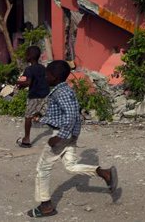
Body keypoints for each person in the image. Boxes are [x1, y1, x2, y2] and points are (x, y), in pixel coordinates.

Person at [27, 60, 118, 218]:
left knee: (43, 168)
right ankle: (103, 173)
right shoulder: (64, 90)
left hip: (61, 135)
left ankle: (45, 206)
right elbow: (67, 115)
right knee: (70, 166)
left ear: (55, 77)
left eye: (47, 74)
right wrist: (43, 118)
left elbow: (70, 116)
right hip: (70, 134)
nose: (45, 77)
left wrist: (59, 137)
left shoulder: (61, 93)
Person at [16, 46, 49, 148]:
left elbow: (28, 82)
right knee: (47, 115)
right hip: (45, 95)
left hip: (34, 96)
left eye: (26, 54)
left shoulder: (29, 69)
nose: (25, 56)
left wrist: (18, 83)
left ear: (29, 56)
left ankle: (26, 139)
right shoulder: (43, 68)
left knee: (28, 117)